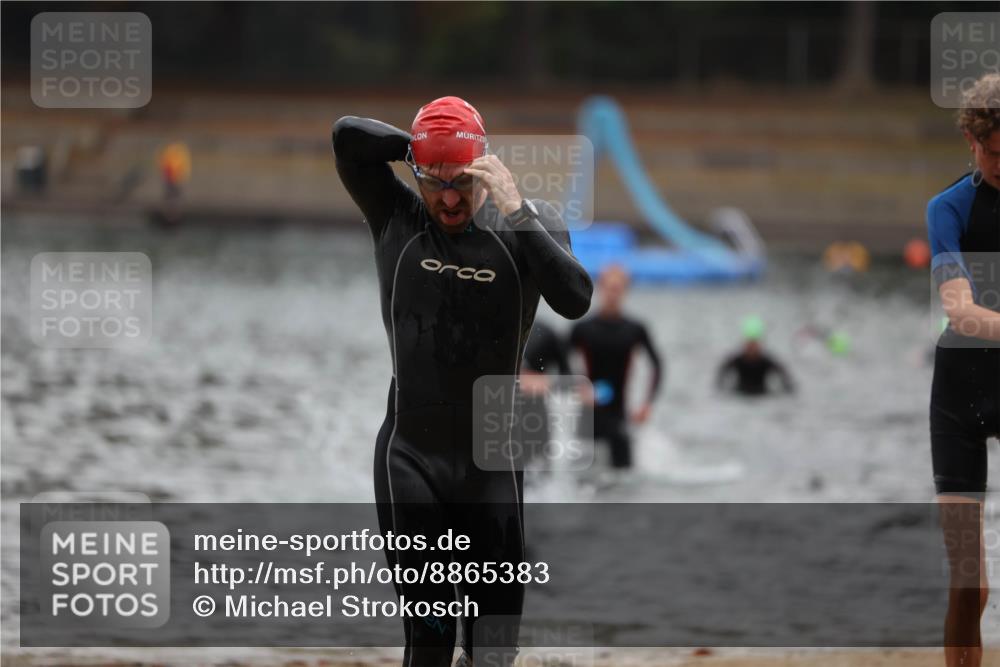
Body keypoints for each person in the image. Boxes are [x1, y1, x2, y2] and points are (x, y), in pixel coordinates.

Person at [332, 96, 593, 667]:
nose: (448, 198)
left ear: (485, 170)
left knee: (492, 652)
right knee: (428, 641)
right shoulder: (397, 216)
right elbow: (346, 136)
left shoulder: (528, 221)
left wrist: (517, 209)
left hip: (493, 462)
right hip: (411, 455)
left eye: (461, 182)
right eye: (434, 182)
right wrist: (422, 146)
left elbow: (575, 298)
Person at [926, 73, 1000, 667]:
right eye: (994, 152)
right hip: (960, 392)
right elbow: (960, 311)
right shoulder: (948, 208)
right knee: (969, 583)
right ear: (972, 141)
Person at [569, 265, 662, 470]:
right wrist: (578, 389)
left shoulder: (635, 329)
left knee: (623, 473)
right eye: (609, 287)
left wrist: (647, 404)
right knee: (582, 476)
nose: (613, 293)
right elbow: (561, 362)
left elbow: (657, 365)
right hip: (588, 414)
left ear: (625, 291)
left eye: (618, 288)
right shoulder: (582, 329)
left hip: (619, 413)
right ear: (600, 288)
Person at [516, 321, 571, 473]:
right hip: (495, 420)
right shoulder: (491, 327)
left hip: (535, 419)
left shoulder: (546, 332)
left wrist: (543, 382)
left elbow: (568, 380)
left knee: (540, 478)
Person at [716, 317, 794, 396]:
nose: (752, 348)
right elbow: (719, 378)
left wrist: (786, 390)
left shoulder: (766, 362)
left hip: (761, 396)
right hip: (740, 396)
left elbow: (786, 379)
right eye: (749, 344)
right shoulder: (736, 361)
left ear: (760, 345)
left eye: (754, 344)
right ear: (745, 344)